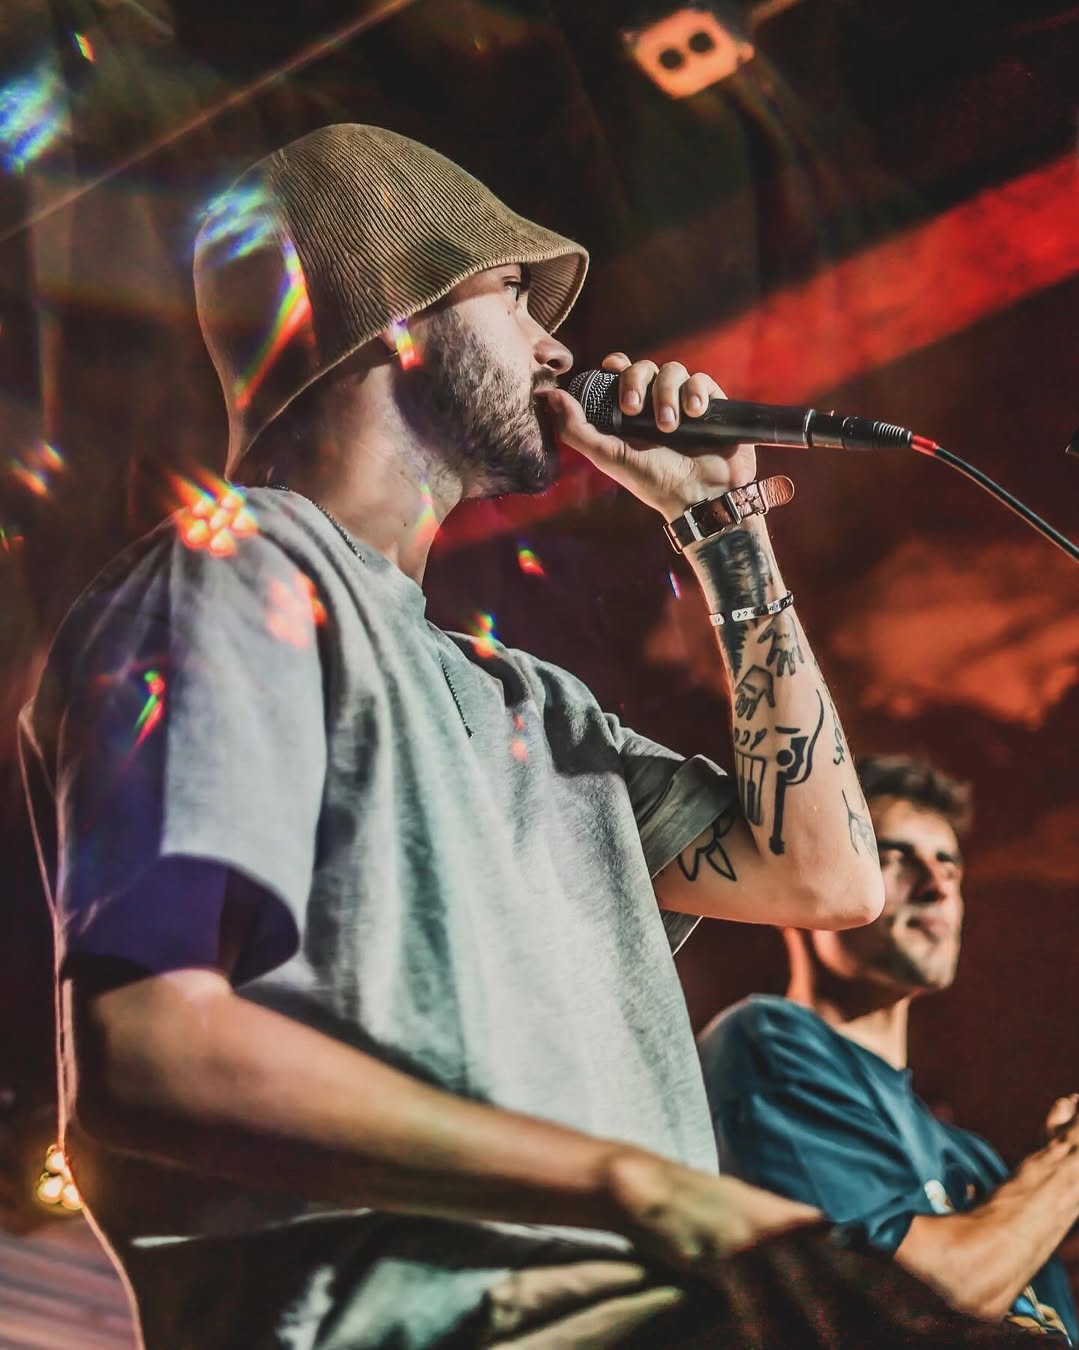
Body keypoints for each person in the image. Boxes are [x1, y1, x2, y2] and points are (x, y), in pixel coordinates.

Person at [19, 125, 1024, 1349]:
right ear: (390, 322)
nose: (558, 350)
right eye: (510, 294)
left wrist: (726, 532)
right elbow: (146, 1054)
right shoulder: (233, 575)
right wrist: (640, 1187)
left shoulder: (534, 709)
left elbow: (827, 878)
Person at [699, 753, 1079, 1342]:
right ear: (800, 888)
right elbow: (905, 1310)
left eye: (949, 866)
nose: (936, 887)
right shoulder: (765, 1041)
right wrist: (1069, 1168)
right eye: (892, 858)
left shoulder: (974, 1159)